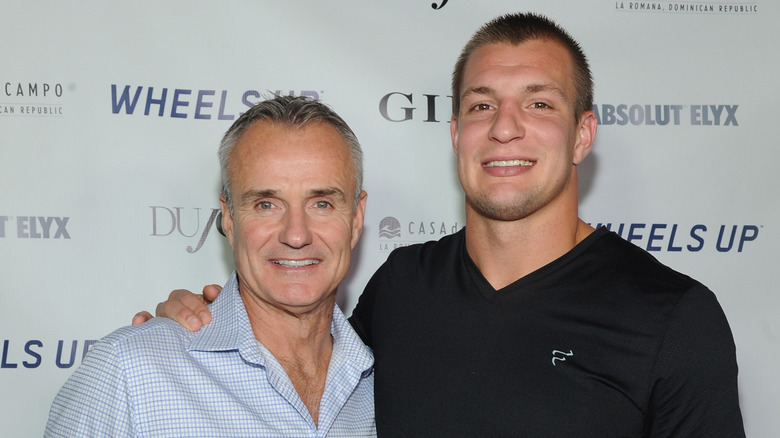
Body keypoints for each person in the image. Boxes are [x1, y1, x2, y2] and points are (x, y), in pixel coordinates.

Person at [137, 13, 745, 437]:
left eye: (539, 103)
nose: (505, 127)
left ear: (583, 133)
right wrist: (192, 334)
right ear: (456, 134)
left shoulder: (673, 318)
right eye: (481, 105)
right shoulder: (402, 286)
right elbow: (302, 369)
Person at [47, 95, 375, 437]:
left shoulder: (388, 383)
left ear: (355, 219)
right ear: (229, 219)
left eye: (321, 203)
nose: (296, 234)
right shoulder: (129, 372)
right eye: (266, 204)